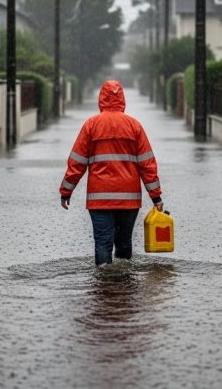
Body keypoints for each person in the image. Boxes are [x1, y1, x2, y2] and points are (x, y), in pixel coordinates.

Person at [59, 80, 163, 266]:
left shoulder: (91, 125)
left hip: (100, 200)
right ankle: (124, 285)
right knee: (124, 244)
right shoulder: (134, 126)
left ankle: (104, 282)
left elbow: (77, 162)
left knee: (103, 243)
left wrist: (66, 191)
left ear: (101, 98)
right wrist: (156, 197)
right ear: (122, 98)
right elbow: (147, 164)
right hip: (129, 200)